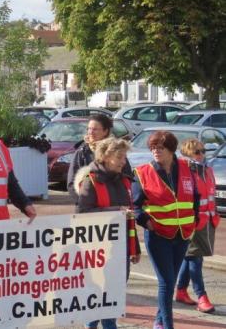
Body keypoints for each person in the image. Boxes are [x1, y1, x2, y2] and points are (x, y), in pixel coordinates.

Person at [132, 130, 198, 329]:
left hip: (183, 234)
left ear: (171, 149)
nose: (155, 151)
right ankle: (168, 325)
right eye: (152, 148)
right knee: (166, 282)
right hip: (158, 236)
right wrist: (147, 223)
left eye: (160, 148)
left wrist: (193, 221)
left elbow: (194, 198)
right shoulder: (142, 172)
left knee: (171, 281)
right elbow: (135, 206)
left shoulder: (187, 168)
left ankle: (159, 322)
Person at [74, 137, 140, 329]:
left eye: (124, 157)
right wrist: (115, 211)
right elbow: (83, 215)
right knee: (97, 294)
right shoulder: (91, 181)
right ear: (105, 156)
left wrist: (134, 248)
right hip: (98, 250)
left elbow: (129, 219)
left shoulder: (125, 181)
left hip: (121, 248)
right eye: (119, 157)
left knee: (113, 294)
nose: (123, 161)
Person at [175, 138, 219, 313]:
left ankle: (180, 290)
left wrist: (213, 217)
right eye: (197, 152)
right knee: (195, 258)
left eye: (203, 151)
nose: (201, 155)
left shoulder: (207, 170)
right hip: (192, 222)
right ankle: (202, 296)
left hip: (207, 221)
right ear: (187, 154)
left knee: (190, 256)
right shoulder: (185, 172)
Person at [67, 114, 132, 202]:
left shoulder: (117, 150)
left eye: (95, 129)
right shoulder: (82, 152)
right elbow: (71, 183)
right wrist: (84, 200)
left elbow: (127, 177)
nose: (90, 132)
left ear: (106, 131)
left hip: (115, 205)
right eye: (89, 129)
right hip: (89, 206)